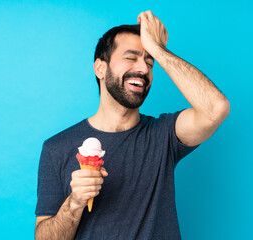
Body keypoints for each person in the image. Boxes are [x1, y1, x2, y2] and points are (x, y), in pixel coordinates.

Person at [35, 10, 230, 240]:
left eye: (150, 62)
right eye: (131, 57)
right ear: (100, 68)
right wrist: (75, 203)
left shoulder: (164, 134)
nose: (144, 69)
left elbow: (215, 109)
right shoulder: (56, 148)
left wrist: (158, 49)